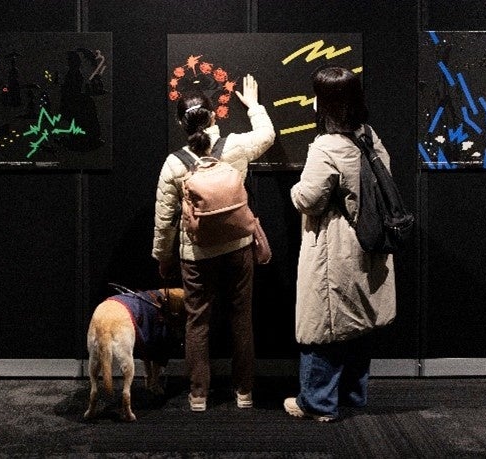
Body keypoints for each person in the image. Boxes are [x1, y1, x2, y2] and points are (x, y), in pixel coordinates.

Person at [152, 74, 275, 411]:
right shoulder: (235, 146)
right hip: (238, 245)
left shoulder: (174, 164)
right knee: (241, 317)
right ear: (214, 115)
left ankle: (198, 394)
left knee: (197, 320)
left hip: (196, 254)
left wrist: (163, 256)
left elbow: (165, 219)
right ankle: (244, 392)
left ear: (181, 123)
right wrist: (254, 106)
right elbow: (267, 136)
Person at [284, 65, 396, 422]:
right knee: (358, 322)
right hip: (370, 242)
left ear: (325, 103)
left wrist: (294, 189)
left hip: (335, 247)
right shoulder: (369, 136)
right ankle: (352, 394)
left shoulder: (326, 147)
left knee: (325, 324)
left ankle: (317, 402)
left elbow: (308, 199)